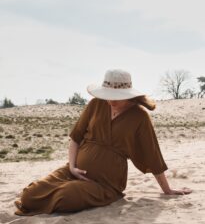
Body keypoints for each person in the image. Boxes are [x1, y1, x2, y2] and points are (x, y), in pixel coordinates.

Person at [14, 69, 192, 216]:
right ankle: (68, 185)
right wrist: (73, 168)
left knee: (65, 197)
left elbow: (152, 154)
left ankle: (77, 190)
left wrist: (167, 189)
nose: (111, 100)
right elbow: (75, 138)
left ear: (128, 94)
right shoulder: (95, 104)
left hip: (106, 183)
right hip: (74, 170)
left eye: (117, 96)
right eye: (108, 95)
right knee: (30, 194)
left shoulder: (140, 116)